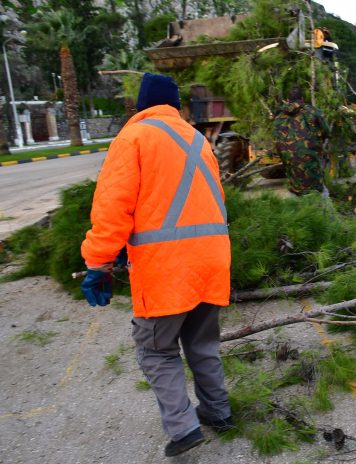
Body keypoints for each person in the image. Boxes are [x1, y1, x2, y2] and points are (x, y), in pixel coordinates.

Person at [80, 72, 234, 457]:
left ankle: (184, 429)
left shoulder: (133, 138)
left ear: (140, 105)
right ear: (176, 106)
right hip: (212, 260)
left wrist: (98, 262)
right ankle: (218, 412)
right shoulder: (198, 140)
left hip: (167, 268)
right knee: (202, 344)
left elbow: (113, 209)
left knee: (156, 349)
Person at [272, 86, 330, 196]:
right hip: (313, 174)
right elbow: (327, 132)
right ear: (302, 98)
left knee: (296, 195)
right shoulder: (313, 112)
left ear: (288, 100)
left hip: (293, 179)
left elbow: (276, 142)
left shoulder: (278, 117)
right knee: (319, 193)